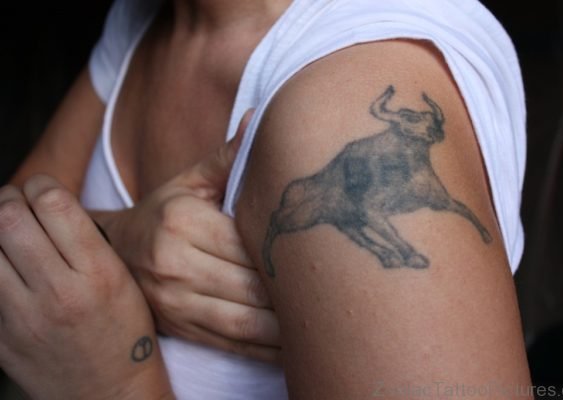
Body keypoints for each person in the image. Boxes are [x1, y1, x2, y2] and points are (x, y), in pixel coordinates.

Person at [0, 0, 532, 398]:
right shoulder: (143, 22)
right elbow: (12, 219)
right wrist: (122, 238)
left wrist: (118, 385)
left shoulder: (337, 93)